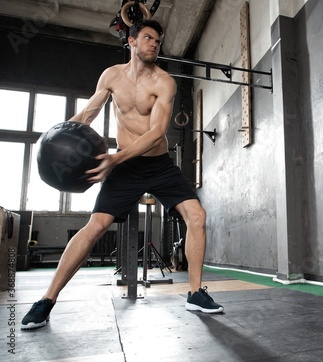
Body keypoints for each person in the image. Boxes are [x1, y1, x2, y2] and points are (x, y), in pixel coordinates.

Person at [21, 20, 223, 330]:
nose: (154, 43)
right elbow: (88, 113)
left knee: (197, 216)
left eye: (157, 40)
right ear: (131, 41)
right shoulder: (112, 76)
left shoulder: (164, 82)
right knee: (95, 227)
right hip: (126, 169)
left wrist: (114, 159)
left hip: (158, 166)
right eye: (147, 38)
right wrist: (55, 138)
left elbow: (157, 133)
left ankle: (195, 292)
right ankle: (46, 300)